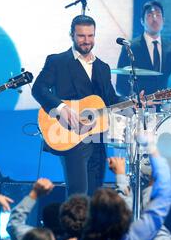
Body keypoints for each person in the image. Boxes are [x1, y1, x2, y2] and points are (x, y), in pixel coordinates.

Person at [32, 15, 124, 196]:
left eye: (90, 36)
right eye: (81, 36)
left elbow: (110, 99)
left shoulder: (102, 67)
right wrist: (61, 108)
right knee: (78, 195)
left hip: (97, 137)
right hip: (70, 136)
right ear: (72, 35)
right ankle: (73, 225)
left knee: (94, 194)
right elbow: (38, 89)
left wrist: (135, 101)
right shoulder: (57, 61)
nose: (86, 41)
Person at [115, 0, 171, 101]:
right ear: (142, 21)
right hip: (138, 108)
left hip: (163, 106)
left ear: (163, 20)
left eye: (158, 15)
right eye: (150, 15)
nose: (155, 19)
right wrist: (134, 98)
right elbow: (120, 84)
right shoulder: (130, 47)